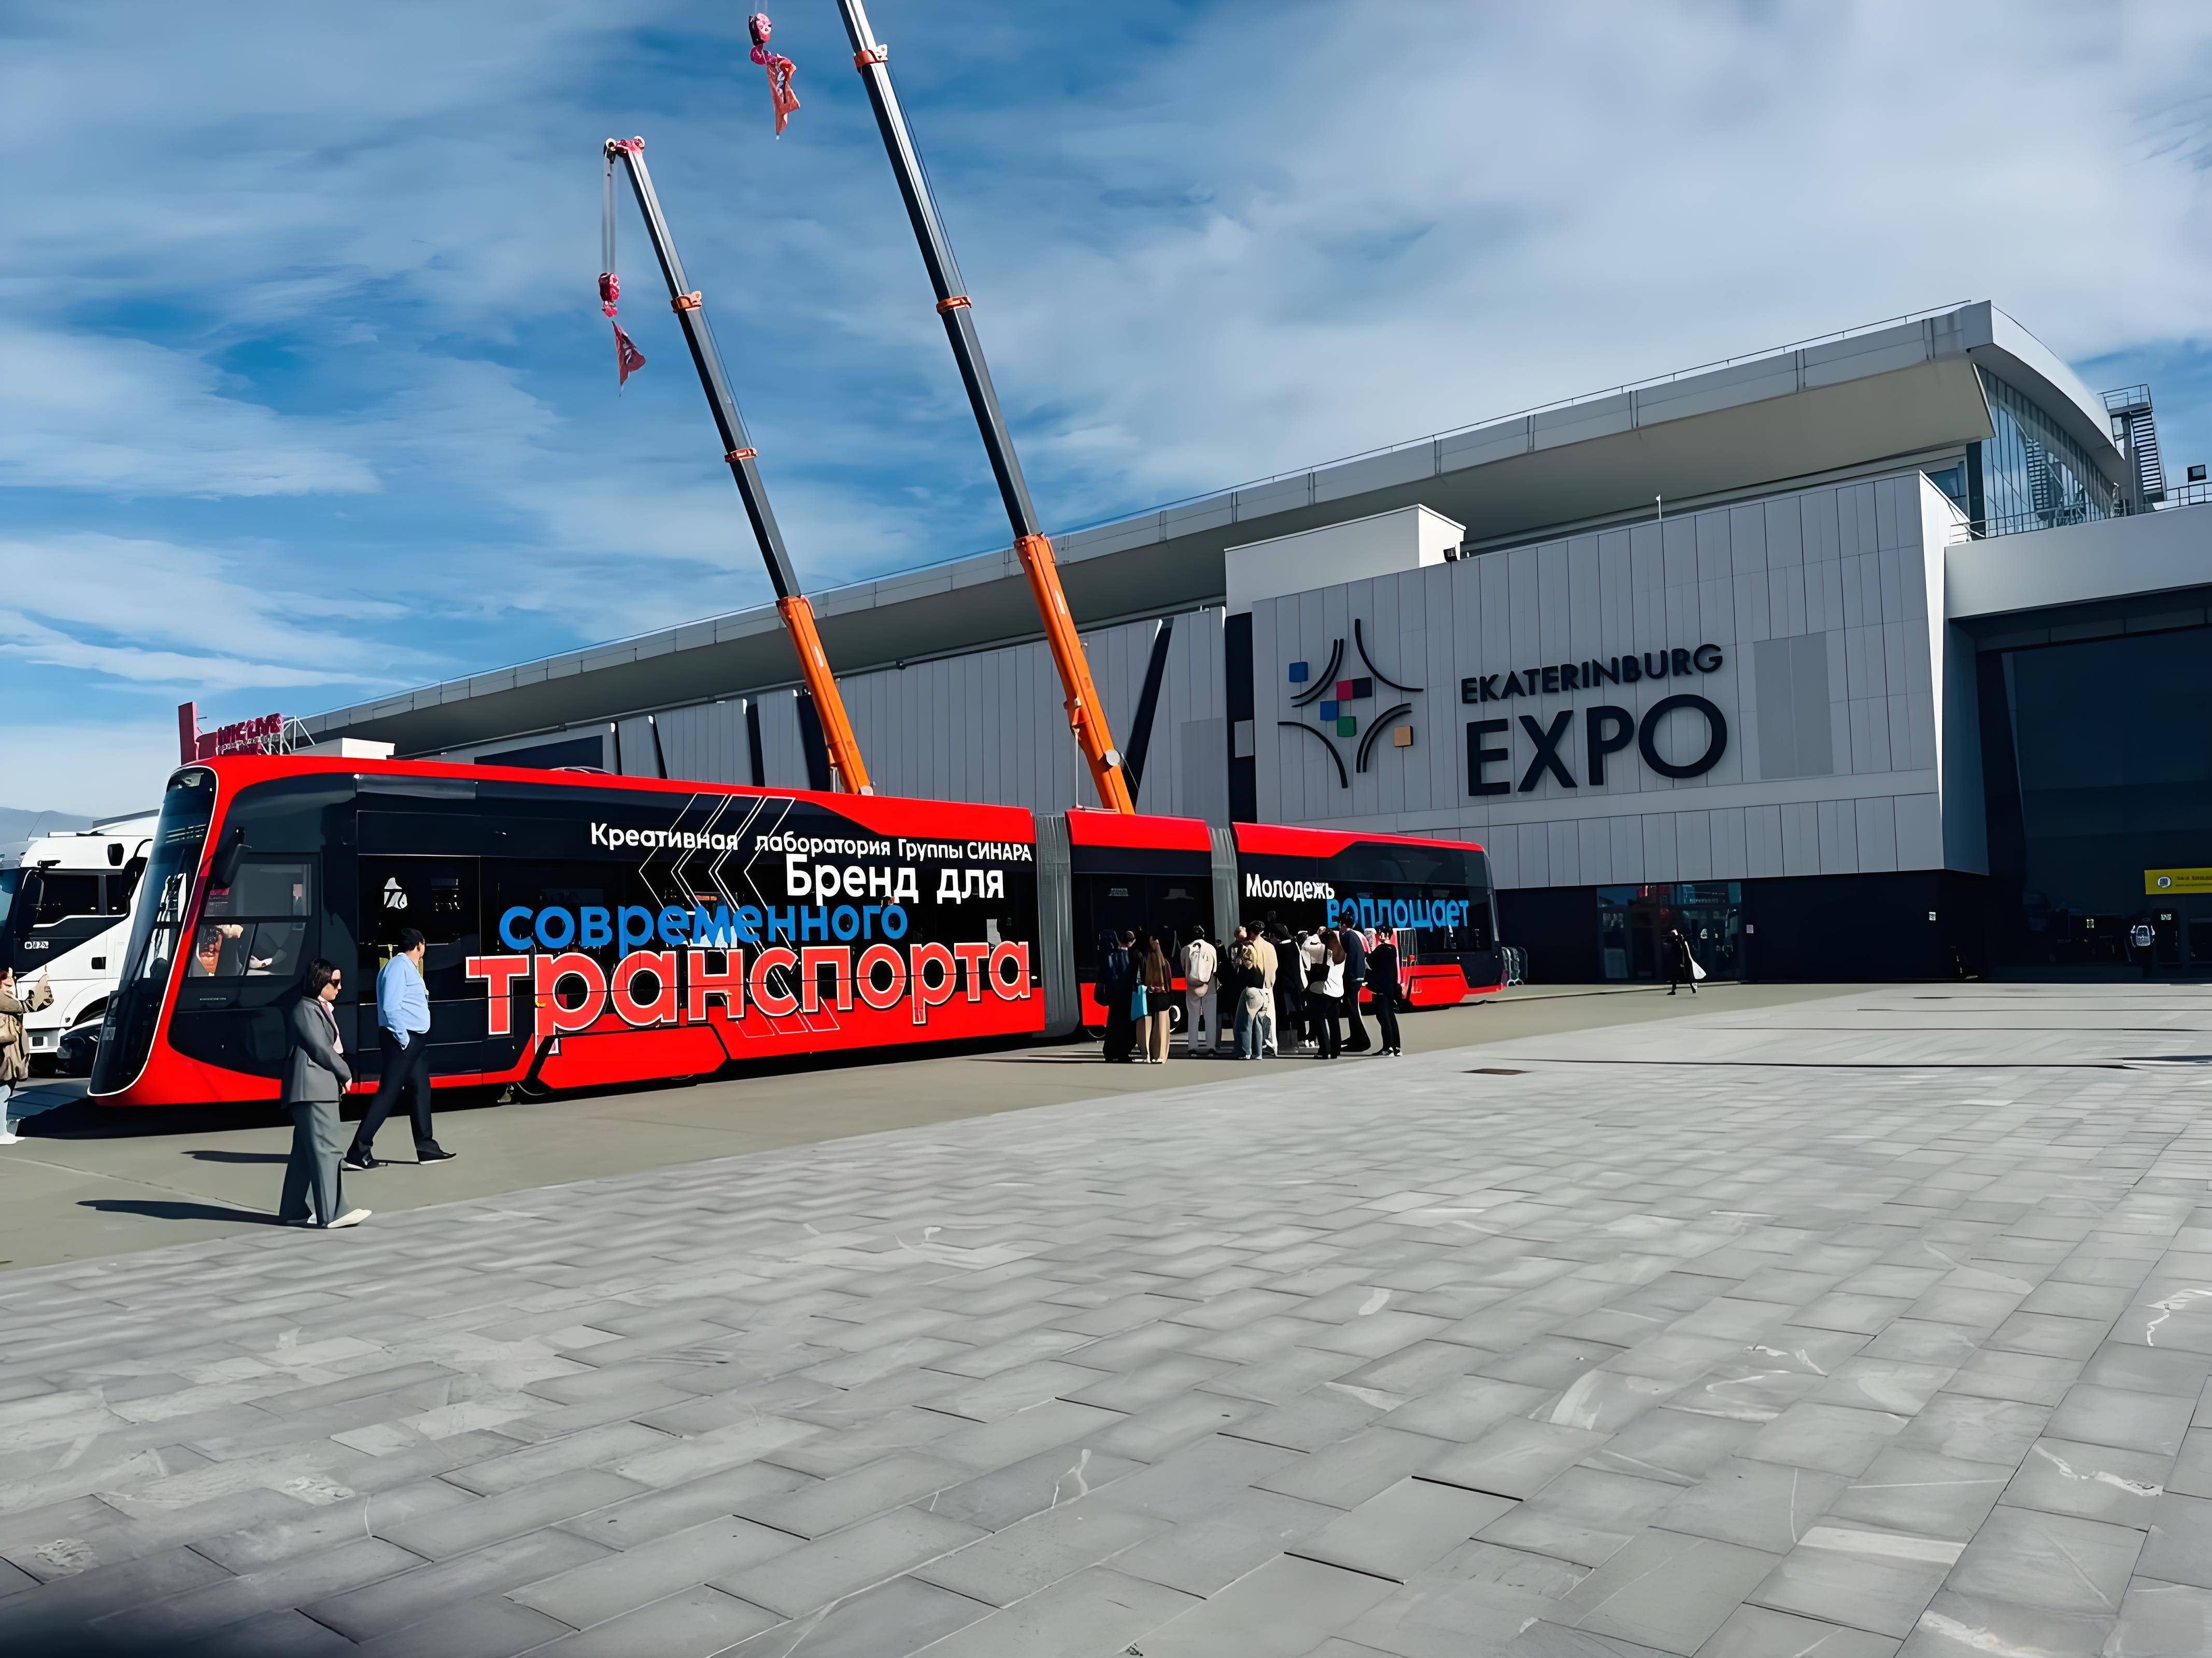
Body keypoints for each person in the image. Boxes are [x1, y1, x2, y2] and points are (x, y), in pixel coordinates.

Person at [346, 928, 455, 1168]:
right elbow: (391, 1006)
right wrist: (404, 1039)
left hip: (414, 1041)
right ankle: (358, 1150)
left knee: (421, 1089)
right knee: (388, 1093)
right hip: (403, 1041)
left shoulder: (406, 967)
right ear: (420, 945)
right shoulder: (398, 967)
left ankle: (427, 1147)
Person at [278, 960, 370, 1230]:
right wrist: (345, 1073)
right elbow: (321, 1049)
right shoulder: (306, 1009)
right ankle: (333, 1213)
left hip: (314, 1088)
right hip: (314, 1089)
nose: (340, 988)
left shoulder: (315, 1007)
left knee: (305, 1154)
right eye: (335, 982)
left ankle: (294, 1210)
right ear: (319, 982)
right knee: (329, 1150)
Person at [0, 966, 53, 1145]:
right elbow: (28, 1006)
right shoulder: (2, 999)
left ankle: (2, 1131)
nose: (12, 986)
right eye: (8, 983)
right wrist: (43, 983)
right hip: (5, 1053)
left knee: (5, 1091)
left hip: (8, 1051)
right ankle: (1, 1133)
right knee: (3, 1092)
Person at [1180, 926, 1220, 1057]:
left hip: (1192, 988)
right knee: (1210, 1018)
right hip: (1210, 987)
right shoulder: (1211, 948)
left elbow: (1184, 967)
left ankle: (1192, 1048)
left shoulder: (1185, 949)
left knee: (1193, 1018)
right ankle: (1211, 1048)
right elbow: (1215, 969)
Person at [1231, 941, 1271, 1059]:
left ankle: (1246, 1052)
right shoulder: (1261, 966)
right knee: (1257, 1024)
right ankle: (1258, 1053)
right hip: (1261, 994)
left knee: (1244, 1023)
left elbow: (1239, 981)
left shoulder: (1247, 967)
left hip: (1250, 993)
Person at [1100, 931, 1136, 1062]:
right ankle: (1122, 1053)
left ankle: (1109, 1052)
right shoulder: (1127, 956)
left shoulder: (1112, 954)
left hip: (1113, 995)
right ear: (1132, 942)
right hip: (1124, 996)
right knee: (1124, 1026)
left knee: (1112, 1024)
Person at [1138, 934, 1174, 1064]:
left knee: (1148, 1026)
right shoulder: (1164, 962)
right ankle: (1161, 1056)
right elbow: (1169, 981)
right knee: (1162, 1027)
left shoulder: (1144, 960)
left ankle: (1148, 1054)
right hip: (1162, 997)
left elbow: (1141, 978)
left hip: (1148, 996)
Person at [1368, 930, 1404, 1056]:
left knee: (1384, 1018)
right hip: (1390, 988)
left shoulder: (1381, 949)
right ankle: (1397, 1047)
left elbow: (1369, 961)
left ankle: (1388, 1047)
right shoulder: (1393, 949)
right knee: (1391, 1017)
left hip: (1381, 988)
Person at [1312, 930, 1345, 1059]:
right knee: (1334, 1021)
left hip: (1327, 989)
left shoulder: (1328, 953)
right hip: (1338, 990)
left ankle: (1325, 1051)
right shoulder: (1342, 953)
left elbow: (1324, 972)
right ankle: (1336, 1050)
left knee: (1319, 1019)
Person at [1340, 923, 1372, 1053]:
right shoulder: (1355, 936)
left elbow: (1346, 959)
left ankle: (1362, 1040)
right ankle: (1355, 1037)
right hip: (1357, 977)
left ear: (1343, 925)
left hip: (1351, 978)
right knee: (1352, 1009)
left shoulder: (1348, 936)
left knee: (1352, 1010)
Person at [1667, 927, 1699, 996]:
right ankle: (1692, 987)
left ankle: (1675, 990)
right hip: (1681, 962)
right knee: (1683, 976)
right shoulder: (1683, 943)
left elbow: (1683, 954)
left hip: (1680, 962)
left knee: (1679, 976)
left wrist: (1682, 962)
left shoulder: (1679, 944)